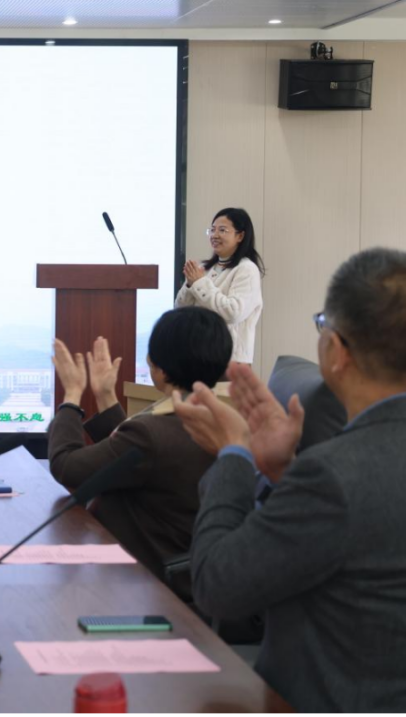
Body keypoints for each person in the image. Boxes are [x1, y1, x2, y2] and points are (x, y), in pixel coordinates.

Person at [174, 247, 406, 712]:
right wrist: (283, 474)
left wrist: (234, 455)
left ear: (335, 350)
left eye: (322, 325)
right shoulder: (329, 474)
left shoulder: (333, 475)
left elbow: (218, 585)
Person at [48, 307, 233, 586]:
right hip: (179, 568)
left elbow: (67, 466)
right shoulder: (217, 418)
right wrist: (105, 396)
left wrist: (72, 396)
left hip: (143, 580)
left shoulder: (152, 433)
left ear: (159, 367)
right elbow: (135, 458)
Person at [175, 207, 264, 364]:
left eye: (222, 230)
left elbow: (233, 313)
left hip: (230, 360)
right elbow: (180, 310)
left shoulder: (246, 269)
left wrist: (199, 283)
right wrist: (190, 284)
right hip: (198, 354)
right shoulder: (204, 268)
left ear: (240, 236)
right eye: (212, 230)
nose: (214, 235)